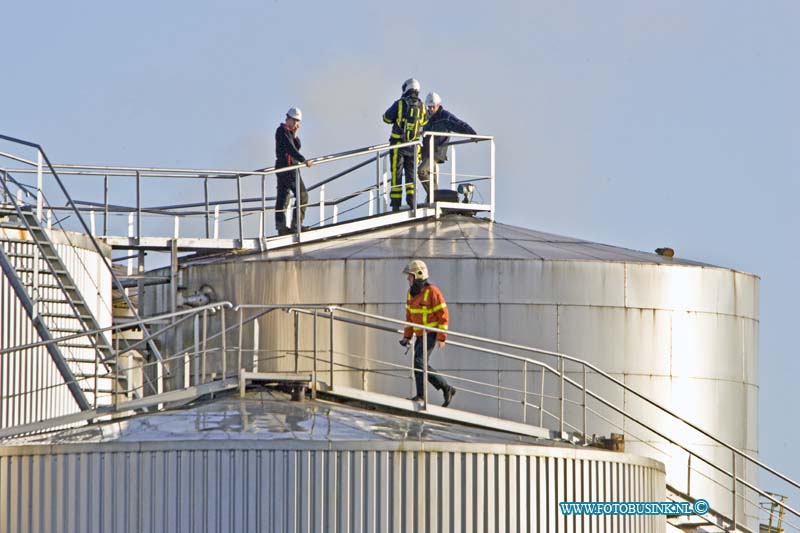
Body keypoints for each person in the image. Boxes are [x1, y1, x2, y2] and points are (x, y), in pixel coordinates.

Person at [399, 259, 456, 407]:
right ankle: (423, 394)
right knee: (418, 363)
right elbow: (409, 317)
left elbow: (443, 314)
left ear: (418, 275)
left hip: (430, 333)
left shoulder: (433, 292)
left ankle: (444, 388)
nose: (407, 279)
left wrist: (441, 336)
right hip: (419, 334)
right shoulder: (411, 294)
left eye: (410, 276)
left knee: (419, 362)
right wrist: (407, 336)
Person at [418, 92, 477, 201]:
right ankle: (433, 198)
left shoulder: (445, 116)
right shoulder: (429, 118)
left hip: (436, 152)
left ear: (438, 105)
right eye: (429, 107)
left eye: (433, 107)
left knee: (422, 171)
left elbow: (459, 124)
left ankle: (433, 196)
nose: (431, 109)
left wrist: (472, 134)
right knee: (432, 179)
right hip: (427, 152)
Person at [383, 78, 428, 212]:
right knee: (411, 174)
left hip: (398, 146)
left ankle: (396, 204)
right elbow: (425, 122)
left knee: (396, 174)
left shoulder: (399, 104)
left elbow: (386, 118)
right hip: (414, 147)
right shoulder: (422, 106)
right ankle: (412, 200)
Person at [275, 107, 313, 235]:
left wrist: (295, 134)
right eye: (295, 120)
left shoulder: (288, 132)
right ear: (289, 119)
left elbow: (296, 146)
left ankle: (282, 228)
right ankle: (295, 225)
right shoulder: (282, 131)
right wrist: (303, 160)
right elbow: (291, 148)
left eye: (298, 121)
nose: (297, 124)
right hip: (288, 168)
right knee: (302, 195)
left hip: (284, 167)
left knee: (283, 197)